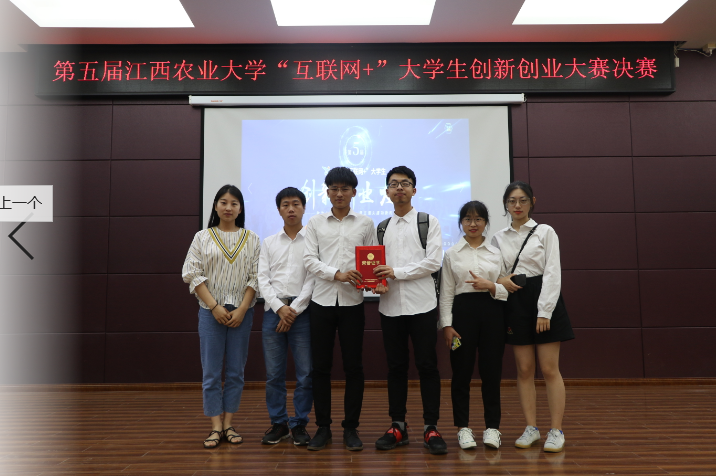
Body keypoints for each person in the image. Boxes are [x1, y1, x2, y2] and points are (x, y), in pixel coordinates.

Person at [491, 181, 575, 453]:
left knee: (549, 369)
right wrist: (500, 280)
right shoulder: (498, 238)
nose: (517, 206)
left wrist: (545, 311)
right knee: (524, 369)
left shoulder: (545, 232)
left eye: (523, 200)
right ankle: (531, 428)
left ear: (532, 202)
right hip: (516, 300)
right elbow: (496, 273)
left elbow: (553, 272)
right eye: (512, 201)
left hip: (544, 298)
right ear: (506, 204)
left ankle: (556, 430)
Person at [371, 165, 448, 455]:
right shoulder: (381, 227)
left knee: (427, 366)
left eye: (405, 183)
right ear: (387, 192)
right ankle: (398, 427)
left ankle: (431, 427)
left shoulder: (428, 221)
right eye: (394, 184)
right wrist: (377, 281)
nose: (399, 188)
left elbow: (433, 262)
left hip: (423, 305)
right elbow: (375, 266)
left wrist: (396, 272)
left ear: (414, 190)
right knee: (396, 368)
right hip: (390, 307)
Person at [303, 167, 377, 452]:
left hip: (353, 304)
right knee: (320, 368)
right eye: (334, 188)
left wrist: (372, 281)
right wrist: (338, 274)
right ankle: (323, 427)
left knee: (353, 367)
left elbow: (372, 259)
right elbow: (309, 260)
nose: (339, 194)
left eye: (345, 189)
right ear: (327, 192)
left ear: (354, 192)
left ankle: (350, 428)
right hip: (321, 302)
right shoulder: (315, 223)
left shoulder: (365, 223)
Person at [182, 184, 260, 448]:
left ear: (240, 209)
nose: (228, 207)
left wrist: (242, 309)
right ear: (215, 206)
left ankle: (228, 423)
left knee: (236, 372)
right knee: (212, 373)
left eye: (234, 203)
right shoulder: (202, 237)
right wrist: (214, 306)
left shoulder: (252, 238)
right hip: (210, 312)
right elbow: (192, 273)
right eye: (223, 202)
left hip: (242, 313)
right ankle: (215, 426)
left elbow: (256, 277)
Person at [439, 201, 508, 450]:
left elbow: (506, 290)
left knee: (492, 373)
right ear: (461, 223)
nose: (473, 224)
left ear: (486, 223)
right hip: (462, 316)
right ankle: (463, 428)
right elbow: (446, 293)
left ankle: (492, 428)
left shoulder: (497, 253)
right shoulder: (451, 254)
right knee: (461, 373)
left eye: (478, 219)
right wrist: (446, 325)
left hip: (493, 314)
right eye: (467, 219)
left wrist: (491, 286)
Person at [257, 187, 315, 446]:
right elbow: (262, 279)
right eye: (285, 205)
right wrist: (280, 308)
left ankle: (299, 423)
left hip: (303, 314)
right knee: (274, 374)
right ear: (279, 210)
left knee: (305, 374)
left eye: (295, 204)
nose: (291, 209)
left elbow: (313, 278)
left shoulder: (313, 241)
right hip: (273, 313)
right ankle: (279, 423)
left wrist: (294, 310)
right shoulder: (269, 242)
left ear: (303, 208)